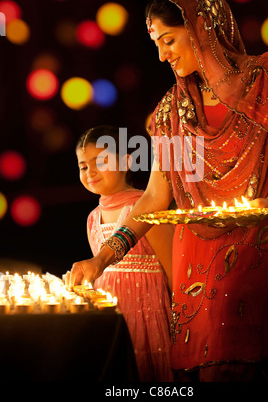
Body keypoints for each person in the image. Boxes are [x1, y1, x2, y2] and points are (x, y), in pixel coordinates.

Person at [67, 0, 268, 382]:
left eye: (169, 39)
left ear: (202, 27)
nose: (162, 55)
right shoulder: (172, 112)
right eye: (157, 43)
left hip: (257, 244)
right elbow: (156, 198)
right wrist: (99, 261)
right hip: (195, 258)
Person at [72, 125, 174, 382]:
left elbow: (174, 268)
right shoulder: (92, 219)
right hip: (114, 318)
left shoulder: (145, 210)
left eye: (101, 162)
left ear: (127, 161)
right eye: (84, 166)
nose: (91, 172)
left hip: (150, 314)